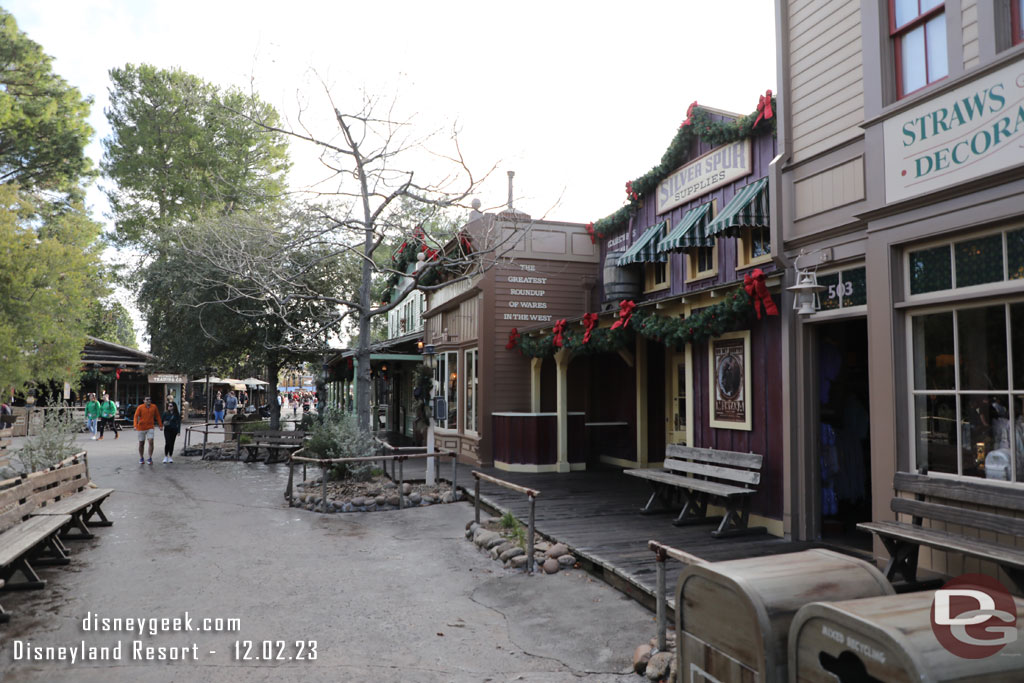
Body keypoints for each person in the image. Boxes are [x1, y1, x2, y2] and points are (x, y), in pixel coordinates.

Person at [133, 396, 163, 465]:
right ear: (144, 401)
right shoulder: (140, 407)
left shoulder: (154, 407)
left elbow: (157, 416)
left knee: (151, 442)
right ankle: (141, 457)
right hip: (141, 427)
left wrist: (160, 425)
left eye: (150, 399)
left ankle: (150, 457)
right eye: (147, 400)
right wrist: (135, 425)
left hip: (150, 427)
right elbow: (136, 416)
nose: (149, 401)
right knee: (141, 443)